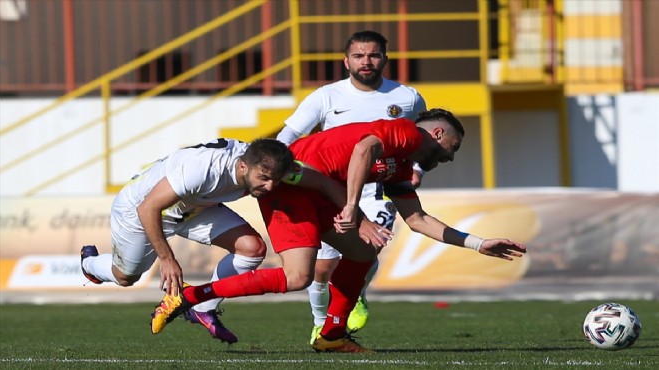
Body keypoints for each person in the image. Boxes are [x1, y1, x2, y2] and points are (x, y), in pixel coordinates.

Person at [150, 108, 527, 353]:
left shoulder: (399, 167)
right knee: (299, 277)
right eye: (452, 147)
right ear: (439, 133)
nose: (449, 156)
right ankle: (189, 297)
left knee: (363, 253)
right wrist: (351, 207)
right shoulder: (408, 135)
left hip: (321, 190)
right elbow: (364, 150)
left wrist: (479, 244)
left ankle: (331, 334)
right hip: (294, 186)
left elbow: (418, 220)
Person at [80, 138, 350, 344]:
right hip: (140, 210)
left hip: (195, 209)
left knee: (252, 249)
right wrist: (167, 259)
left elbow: (323, 183)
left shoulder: (264, 164)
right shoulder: (203, 168)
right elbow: (148, 208)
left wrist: (355, 216)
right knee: (126, 277)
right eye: (264, 179)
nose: (270, 187)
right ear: (243, 166)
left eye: (276, 181)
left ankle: (200, 307)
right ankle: (90, 263)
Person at [276, 30, 427, 343]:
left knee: (368, 248)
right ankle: (322, 325)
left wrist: (417, 168)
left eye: (373, 55)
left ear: (385, 58)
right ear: (346, 61)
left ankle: (354, 291)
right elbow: (287, 136)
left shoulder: (408, 97)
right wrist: (280, 167)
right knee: (321, 269)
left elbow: (426, 141)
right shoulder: (326, 97)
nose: (366, 61)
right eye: (359, 55)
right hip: (332, 190)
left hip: (377, 191)